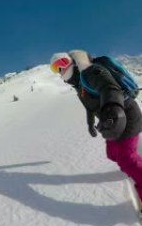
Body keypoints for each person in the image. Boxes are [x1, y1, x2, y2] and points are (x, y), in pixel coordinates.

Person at [50, 50, 142, 203]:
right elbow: (89, 107)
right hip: (111, 120)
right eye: (55, 69)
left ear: (71, 62)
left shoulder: (91, 72)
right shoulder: (80, 84)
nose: (60, 71)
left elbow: (109, 87)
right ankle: (134, 166)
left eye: (62, 64)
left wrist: (113, 108)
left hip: (126, 115)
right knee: (112, 153)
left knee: (126, 158)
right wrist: (90, 123)